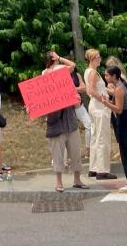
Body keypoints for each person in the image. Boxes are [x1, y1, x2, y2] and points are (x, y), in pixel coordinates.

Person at [42, 51, 88, 192]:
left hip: (65, 116)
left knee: (71, 151)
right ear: (53, 59)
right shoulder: (54, 70)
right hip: (58, 118)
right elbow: (72, 65)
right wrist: (60, 58)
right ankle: (66, 181)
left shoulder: (45, 72)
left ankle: (71, 181)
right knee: (60, 152)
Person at [96, 64, 127, 192]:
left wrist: (105, 103)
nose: (105, 76)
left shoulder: (119, 88)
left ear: (114, 76)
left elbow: (118, 109)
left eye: (107, 75)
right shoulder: (120, 86)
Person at [84, 49, 117, 180]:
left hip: (94, 106)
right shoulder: (93, 73)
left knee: (95, 137)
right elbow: (92, 90)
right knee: (102, 137)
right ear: (92, 59)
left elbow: (91, 89)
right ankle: (102, 170)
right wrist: (104, 99)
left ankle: (93, 168)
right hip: (99, 107)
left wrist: (106, 92)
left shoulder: (88, 72)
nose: (99, 59)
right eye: (97, 57)